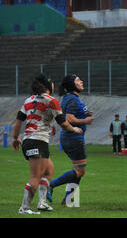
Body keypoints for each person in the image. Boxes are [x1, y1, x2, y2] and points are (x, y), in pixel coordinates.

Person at [12, 74, 82, 214]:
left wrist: (15, 137)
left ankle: (42, 203)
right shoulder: (52, 101)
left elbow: (19, 120)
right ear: (49, 86)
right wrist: (75, 129)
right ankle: (24, 208)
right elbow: (63, 123)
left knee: (49, 170)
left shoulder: (28, 100)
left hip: (29, 141)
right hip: (38, 141)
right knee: (35, 177)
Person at [47, 74, 94, 206]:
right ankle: (50, 186)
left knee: (78, 170)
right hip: (73, 137)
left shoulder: (69, 98)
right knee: (80, 171)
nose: (81, 81)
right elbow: (69, 118)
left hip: (70, 138)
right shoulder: (73, 99)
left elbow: (70, 114)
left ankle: (69, 200)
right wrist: (85, 120)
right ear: (72, 85)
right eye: (78, 80)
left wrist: (85, 113)